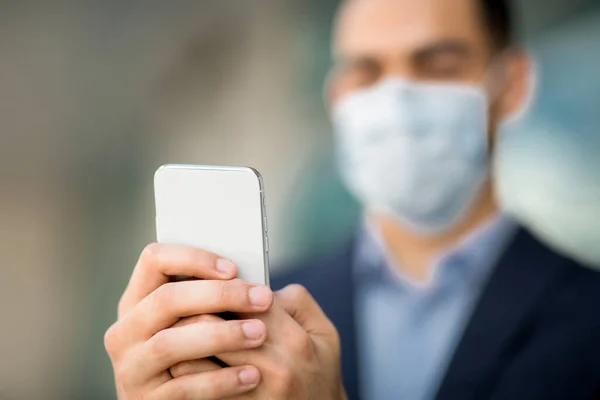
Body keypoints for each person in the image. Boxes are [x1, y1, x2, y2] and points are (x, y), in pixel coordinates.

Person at [104, 0, 600, 399]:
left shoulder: (588, 318)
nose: (397, 98)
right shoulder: (255, 311)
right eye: (366, 70)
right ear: (338, 96)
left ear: (511, 85)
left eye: (437, 65)